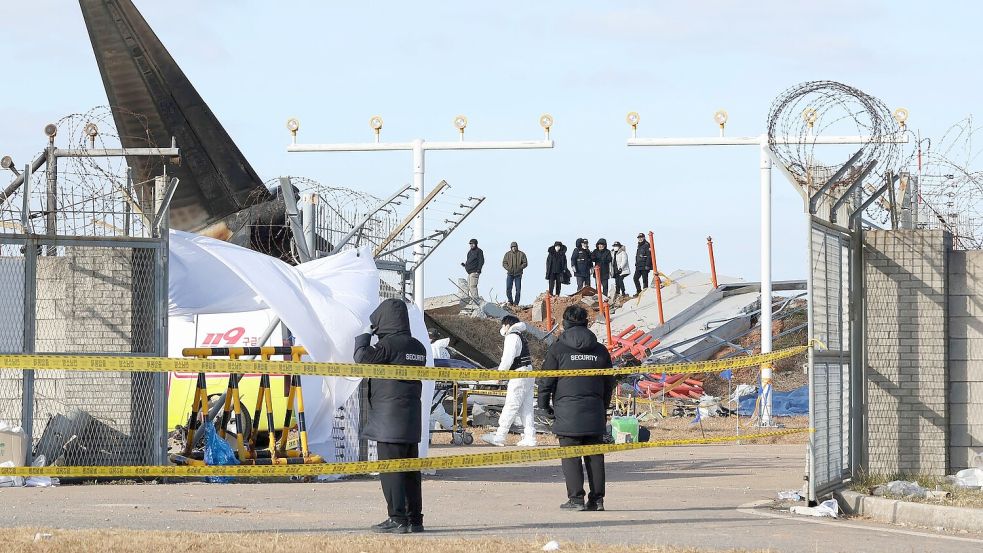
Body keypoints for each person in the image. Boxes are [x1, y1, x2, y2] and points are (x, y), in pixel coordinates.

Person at [354, 298, 429, 534]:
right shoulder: (418, 347)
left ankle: (397, 518)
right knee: (410, 471)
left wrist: (365, 334)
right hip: (411, 421)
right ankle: (414, 520)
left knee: (391, 472)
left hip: (389, 422)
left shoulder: (388, 346)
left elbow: (361, 357)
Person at [537, 305, 615, 511]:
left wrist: (543, 406)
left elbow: (546, 381)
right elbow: (609, 384)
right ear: (586, 323)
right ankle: (597, 500)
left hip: (567, 412)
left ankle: (576, 499)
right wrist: (602, 407)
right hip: (594, 411)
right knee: (595, 456)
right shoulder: (600, 350)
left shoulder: (557, 348)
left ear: (565, 323)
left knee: (571, 456)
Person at [481, 315, 538, 447]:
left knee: (511, 405)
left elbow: (507, 359)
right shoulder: (520, 336)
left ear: (507, 325)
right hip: (528, 373)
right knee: (527, 407)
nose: (502, 328)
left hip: (518, 375)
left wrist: (499, 376)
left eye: (502, 325)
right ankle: (530, 437)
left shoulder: (512, 336)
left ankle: (500, 436)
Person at [502, 242, 528, 306]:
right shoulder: (507, 254)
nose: (514, 248)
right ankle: (510, 301)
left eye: (515, 247)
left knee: (518, 289)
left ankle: (516, 303)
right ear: (511, 247)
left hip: (518, 274)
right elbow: (504, 263)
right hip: (510, 274)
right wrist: (508, 268)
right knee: (508, 288)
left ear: (517, 247)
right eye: (512, 247)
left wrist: (520, 267)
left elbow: (525, 263)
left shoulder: (521, 254)